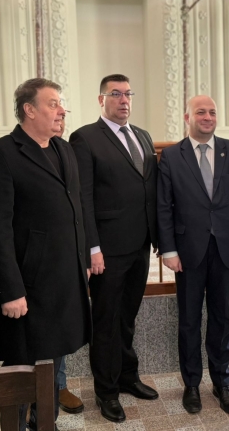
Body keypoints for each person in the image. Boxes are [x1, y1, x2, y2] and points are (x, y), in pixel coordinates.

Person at [0, 78, 91, 429]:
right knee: (23, 373)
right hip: (28, 288)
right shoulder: (1, 154)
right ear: (29, 109)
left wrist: (83, 261)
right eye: (53, 104)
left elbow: (76, 211)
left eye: (62, 104)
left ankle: (46, 423)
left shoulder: (63, 149)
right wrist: (10, 290)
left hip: (63, 281)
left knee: (50, 367)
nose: (62, 111)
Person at [158, 95, 229, 415]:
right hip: (187, 251)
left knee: (221, 318)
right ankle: (191, 384)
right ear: (187, 117)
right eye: (200, 112)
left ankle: (221, 382)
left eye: (212, 112)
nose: (207, 117)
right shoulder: (171, 156)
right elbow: (163, 206)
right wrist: (168, 249)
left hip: (225, 248)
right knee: (189, 320)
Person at [69, 74, 159, 423]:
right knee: (106, 321)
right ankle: (106, 392)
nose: (124, 100)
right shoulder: (85, 138)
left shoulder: (143, 135)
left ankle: (127, 377)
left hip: (140, 245)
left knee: (127, 317)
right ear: (101, 99)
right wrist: (92, 247)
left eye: (128, 94)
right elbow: (84, 198)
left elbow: (147, 188)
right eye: (116, 94)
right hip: (106, 250)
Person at [54, 109, 85, 415]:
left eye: (63, 116)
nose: (60, 121)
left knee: (61, 327)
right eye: (54, 112)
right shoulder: (11, 152)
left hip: (67, 257)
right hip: (34, 264)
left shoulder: (66, 150)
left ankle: (58, 385)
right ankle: (32, 396)